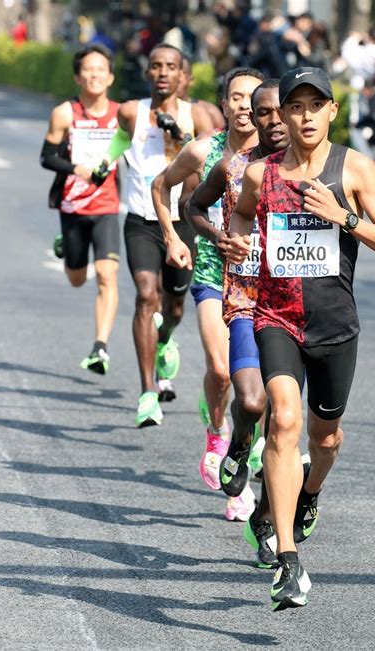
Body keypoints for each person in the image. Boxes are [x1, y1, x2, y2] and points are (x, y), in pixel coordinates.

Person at [225, 66, 375, 610]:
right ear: (282, 115)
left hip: (334, 326)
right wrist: (236, 245)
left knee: (325, 439)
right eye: (295, 107)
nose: (305, 116)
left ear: (332, 111)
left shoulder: (354, 168)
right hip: (275, 316)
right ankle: (286, 559)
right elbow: (237, 218)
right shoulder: (261, 175)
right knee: (282, 419)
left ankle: (311, 491)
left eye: (315, 106)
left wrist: (343, 217)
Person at [152, 67, 265, 521]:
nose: (242, 106)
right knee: (220, 370)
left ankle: (246, 458)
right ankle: (217, 431)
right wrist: (174, 238)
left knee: (257, 385)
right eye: (235, 97)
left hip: (262, 278)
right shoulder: (204, 150)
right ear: (223, 104)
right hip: (214, 271)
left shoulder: (277, 156)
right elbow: (162, 187)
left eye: (251, 98)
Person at [184, 79, 289, 563]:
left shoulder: (317, 173)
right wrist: (218, 236)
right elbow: (192, 205)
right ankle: (235, 446)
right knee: (251, 398)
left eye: (275, 111)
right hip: (245, 297)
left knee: (285, 425)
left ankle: (267, 521)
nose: (267, 120)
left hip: (298, 310)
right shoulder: (233, 166)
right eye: (256, 109)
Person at [105, 43, 214, 427]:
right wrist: (104, 163)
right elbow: (119, 140)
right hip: (141, 220)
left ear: (182, 74)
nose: (163, 72)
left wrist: (183, 138)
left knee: (175, 307)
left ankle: (165, 338)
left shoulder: (198, 114)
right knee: (145, 296)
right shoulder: (131, 111)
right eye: (156, 66)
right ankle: (148, 392)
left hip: (182, 225)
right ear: (148, 72)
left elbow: (214, 158)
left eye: (170, 66)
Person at [40, 44, 120, 375]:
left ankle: (100, 346)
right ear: (77, 76)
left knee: (106, 274)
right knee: (76, 278)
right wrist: (76, 169)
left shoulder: (121, 116)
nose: (94, 75)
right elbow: (47, 157)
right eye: (88, 69)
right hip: (73, 208)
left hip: (107, 207)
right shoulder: (64, 113)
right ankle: (66, 247)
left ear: (111, 76)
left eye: (101, 69)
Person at [178, 55, 226, 131]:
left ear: (191, 80)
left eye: (182, 73)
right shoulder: (153, 110)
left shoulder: (210, 111)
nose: (177, 77)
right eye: (172, 71)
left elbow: (223, 140)